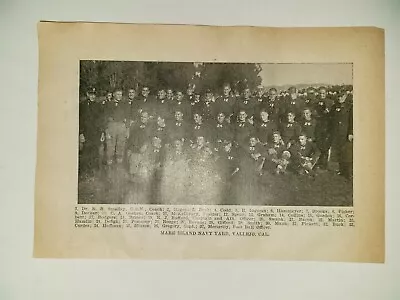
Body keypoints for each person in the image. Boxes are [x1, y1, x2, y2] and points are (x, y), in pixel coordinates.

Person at [79, 87, 104, 174]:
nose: (93, 96)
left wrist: (102, 133)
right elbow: (80, 120)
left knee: (95, 151)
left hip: (95, 132)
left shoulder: (98, 105)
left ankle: (94, 170)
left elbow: (101, 120)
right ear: (87, 94)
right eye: (91, 94)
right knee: (86, 151)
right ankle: (85, 170)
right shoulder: (82, 105)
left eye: (94, 94)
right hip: (86, 132)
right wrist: (81, 133)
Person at [329, 90, 353, 178]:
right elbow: (331, 119)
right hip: (336, 132)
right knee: (339, 152)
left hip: (346, 132)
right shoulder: (334, 106)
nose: (340, 98)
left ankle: (349, 172)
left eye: (342, 96)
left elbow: (352, 121)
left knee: (347, 153)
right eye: (338, 96)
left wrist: (350, 132)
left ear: (345, 96)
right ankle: (341, 170)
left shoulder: (350, 107)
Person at [104, 88, 130, 165]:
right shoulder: (108, 104)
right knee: (110, 146)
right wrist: (106, 130)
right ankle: (109, 165)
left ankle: (119, 165)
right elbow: (105, 117)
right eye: (118, 94)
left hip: (122, 126)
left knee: (120, 146)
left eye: (121, 94)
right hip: (111, 126)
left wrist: (127, 129)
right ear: (114, 94)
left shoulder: (125, 104)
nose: (119, 96)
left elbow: (128, 117)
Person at [313, 87, 332, 170]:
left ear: (326, 93)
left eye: (323, 93)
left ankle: (324, 163)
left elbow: (332, 114)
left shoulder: (330, 102)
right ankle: (319, 162)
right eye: (320, 93)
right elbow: (314, 113)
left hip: (327, 125)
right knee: (319, 143)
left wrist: (327, 113)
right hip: (318, 125)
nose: (322, 95)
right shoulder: (315, 102)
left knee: (326, 144)